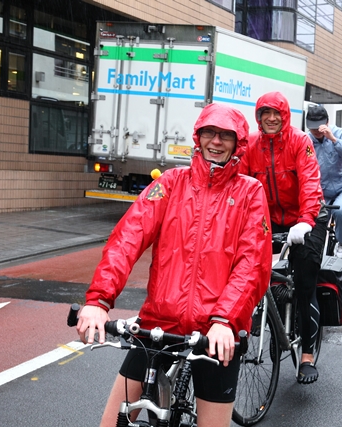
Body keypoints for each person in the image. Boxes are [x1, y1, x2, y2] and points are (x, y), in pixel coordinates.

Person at [76, 103, 273, 427]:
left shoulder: (250, 192)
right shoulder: (170, 183)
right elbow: (128, 238)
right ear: (198, 137)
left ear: (238, 143)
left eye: (226, 135)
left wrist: (225, 319)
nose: (217, 141)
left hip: (217, 331)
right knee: (110, 423)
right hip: (159, 324)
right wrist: (98, 300)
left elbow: (252, 264)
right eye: (210, 132)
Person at [239, 91, 325, 385]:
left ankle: (307, 355)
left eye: (276, 113)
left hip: (305, 218)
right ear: (258, 117)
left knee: (304, 282)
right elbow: (239, 185)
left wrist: (305, 221)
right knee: (246, 270)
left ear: (285, 115)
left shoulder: (300, 141)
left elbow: (311, 183)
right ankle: (270, 320)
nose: (271, 119)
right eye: (265, 114)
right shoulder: (250, 145)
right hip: (269, 221)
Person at [305, 104, 342, 259]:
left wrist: (334, 139)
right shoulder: (306, 140)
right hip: (322, 189)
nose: (315, 131)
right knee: (313, 219)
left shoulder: (341, 134)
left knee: (341, 210)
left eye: (318, 127)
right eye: (312, 128)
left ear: (327, 122)